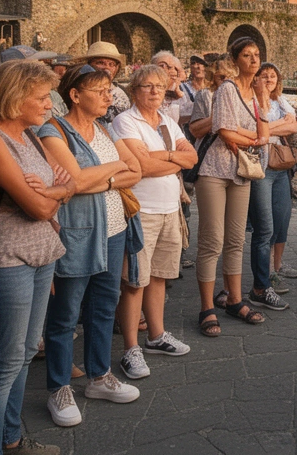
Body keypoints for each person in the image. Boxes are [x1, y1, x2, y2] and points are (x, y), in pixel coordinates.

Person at [0, 60, 74, 455]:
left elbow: (69, 183)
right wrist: (50, 194)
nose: (49, 105)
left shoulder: (31, 137)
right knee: (4, 362)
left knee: (25, 352)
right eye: (42, 97)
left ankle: (10, 439)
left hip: (41, 253)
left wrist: (52, 191)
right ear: (15, 97)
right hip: (3, 260)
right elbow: (40, 209)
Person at [39, 65, 145, 427]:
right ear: (75, 95)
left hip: (114, 228)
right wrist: (113, 172)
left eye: (109, 89)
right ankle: (59, 387)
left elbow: (136, 170)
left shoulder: (101, 129)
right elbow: (78, 181)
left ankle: (99, 375)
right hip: (79, 232)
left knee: (104, 305)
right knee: (65, 314)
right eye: (99, 90)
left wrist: (100, 177)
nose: (108, 96)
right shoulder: (53, 131)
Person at [112, 65, 195, 374]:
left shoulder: (168, 123)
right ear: (135, 90)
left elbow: (192, 158)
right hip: (142, 209)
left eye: (160, 86)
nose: (155, 91)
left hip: (169, 209)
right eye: (148, 86)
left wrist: (162, 157)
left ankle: (157, 336)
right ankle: (131, 348)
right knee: (134, 280)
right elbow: (139, 165)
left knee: (159, 275)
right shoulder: (125, 121)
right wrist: (174, 158)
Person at [192, 38, 267, 335]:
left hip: (241, 172)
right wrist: (253, 139)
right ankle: (206, 307)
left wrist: (262, 98)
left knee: (236, 239)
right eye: (247, 55)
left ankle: (234, 299)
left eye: (257, 55)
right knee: (212, 241)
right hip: (214, 170)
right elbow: (224, 132)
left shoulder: (253, 95)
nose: (253, 60)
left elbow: (264, 132)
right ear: (235, 60)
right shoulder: (227, 89)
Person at [246, 61, 296, 311]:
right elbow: (252, 128)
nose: (268, 79)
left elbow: (294, 125)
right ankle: (261, 285)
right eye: (263, 75)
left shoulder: (282, 101)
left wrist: (266, 128)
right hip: (261, 168)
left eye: (272, 75)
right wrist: (273, 125)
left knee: (280, 219)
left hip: (280, 167)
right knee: (264, 228)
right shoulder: (251, 101)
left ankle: (270, 273)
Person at [76, 41, 131, 123]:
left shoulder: (123, 91)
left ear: (116, 68)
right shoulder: (80, 91)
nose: (106, 68)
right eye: (100, 63)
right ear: (88, 65)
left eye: (111, 64)